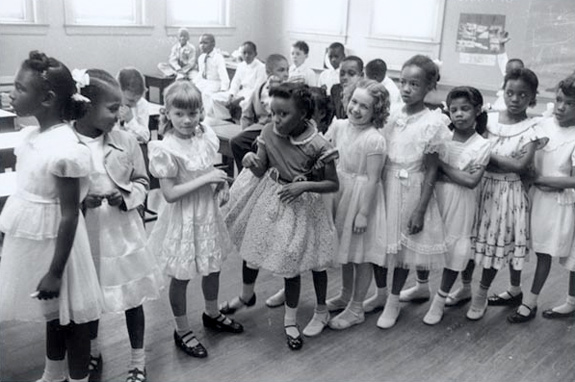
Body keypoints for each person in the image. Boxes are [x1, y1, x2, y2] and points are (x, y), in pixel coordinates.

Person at [0, 51, 102, 382]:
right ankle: (51, 374)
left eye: (19, 88)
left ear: (46, 99)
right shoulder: (32, 137)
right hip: (37, 242)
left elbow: (70, 215)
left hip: (62, 251)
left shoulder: (65, 148)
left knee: (72, 322)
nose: (11, 94)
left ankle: (77, 378)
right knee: (52, 315)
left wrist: (55, 272)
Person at [220, 83, 339, 349]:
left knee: (290, 262)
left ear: (303, 114)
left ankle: (290, 319)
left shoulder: (318, 144)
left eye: (283, 114)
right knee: (253, 247)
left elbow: (333, 184)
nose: (276, 119)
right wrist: (252, 159)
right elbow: (262, 168)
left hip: (300, 205)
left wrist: (304, 185)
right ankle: (246, 295)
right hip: (269, 197)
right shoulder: (267, 132)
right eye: (273, 112)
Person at [74, 69, 164, 381]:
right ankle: (93, 349)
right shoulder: (70, 143)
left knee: (131, 296)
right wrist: (79, 201)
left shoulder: (126, 141)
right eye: (112, 109)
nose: (120, 115)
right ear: (86, 107)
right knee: (91, 296)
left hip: (122, 233)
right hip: (87, 234)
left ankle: (138, 359)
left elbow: (143, 180)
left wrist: (124, 196)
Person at [146, 81, 243, 359]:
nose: (187, 120)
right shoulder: (165, 148)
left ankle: (212, 313)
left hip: (207, 212)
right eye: (179, 114)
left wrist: (221, 185)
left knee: (212, 268)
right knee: (182, 274)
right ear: (168, 113)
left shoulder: (205, 135)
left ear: (201, 111)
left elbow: (210, 170)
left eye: (193, 113)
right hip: (183, 217)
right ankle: (182, 329)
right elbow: (170, 194)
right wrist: (207, 179)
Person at [376, 55, 451, 329]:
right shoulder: (391, 115)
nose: (406, 89)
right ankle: (382, 294)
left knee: (404, 251)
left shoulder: (433, 122)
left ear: (429, 86)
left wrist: (420, 208)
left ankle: (393, 302)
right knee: (384, 247)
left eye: (414, 84)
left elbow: (432, 169)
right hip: (386, 184)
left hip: (411, 188)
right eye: (403, 82)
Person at [466, 68, 546, 321]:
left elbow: (521, 166)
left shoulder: (533, 128)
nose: (514, 99)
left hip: (508, 193)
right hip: (479, 187)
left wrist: (487, 155)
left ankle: (481, 293)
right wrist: (499, 160)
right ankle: (464, 287)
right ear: (503, 91)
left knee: (495, 244)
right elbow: (469, 149)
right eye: (510, 93)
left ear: (532, 98)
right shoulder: (487, 120)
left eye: (522, 95)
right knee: (469, 242)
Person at [422, 87, 492, 325]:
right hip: (436, 197)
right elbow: (427, 168)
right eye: (454, 110)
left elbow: (471, 181)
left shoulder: (482, 144)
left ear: (477, 111)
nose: (459, 114)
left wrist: (440, 165)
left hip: (461, 203)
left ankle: (440, 300)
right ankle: (422, 286)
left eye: (465, 109)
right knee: (427, 241)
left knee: (455, 249)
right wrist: (452, 173)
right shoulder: (441, 136)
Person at [507, 75, 575, 323]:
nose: (560, 107)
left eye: (569, 103)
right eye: (558, 100)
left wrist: (542, 180)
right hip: (532, 197)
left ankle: (531, 302)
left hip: (557, 205)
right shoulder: (543, 125)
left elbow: (573, 180)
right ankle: (515, 289)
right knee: (519, 244)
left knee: (546, 254)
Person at [324, 79, 389, 330]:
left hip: (363, 197)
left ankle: (357, 307)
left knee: (361, 255)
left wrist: (363, 213)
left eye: (365, 106)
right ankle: (345, 294)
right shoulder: (340, 126)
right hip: (342, 190)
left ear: (376, 112)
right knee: (347, 250)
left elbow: (373, 179)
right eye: (354, 102)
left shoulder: (374, 139)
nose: (356, 109)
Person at [229, 54, 289, 171]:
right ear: (268, 72)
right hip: (260, 129)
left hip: (282, 131)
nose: (286, 74)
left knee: (262, 144)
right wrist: (245, 130)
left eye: (287, 70)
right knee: (236, 141)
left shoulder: (290, 91)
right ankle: (246, 174)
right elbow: (247, 115)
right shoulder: (258, 90)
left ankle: (265, 174)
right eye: (281, 70)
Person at [210, 41, 266, 121]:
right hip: (241, 93)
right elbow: (235, 82)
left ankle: (245, 121)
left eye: (250, 53)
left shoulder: (261, 67)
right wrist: (231, 95)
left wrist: (239, 99)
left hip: (252, 96)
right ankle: (226, 118)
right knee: (215, 97)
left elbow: (257, 89)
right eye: (244, 53)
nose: (246, 56)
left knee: (245, 103)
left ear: (255, 54)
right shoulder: (241, 66)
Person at [194, 33, 230, 115]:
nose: (202, 46)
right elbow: (201, 73)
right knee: (193, 91)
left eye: (205, 43)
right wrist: (193, 83)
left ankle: (209, 115)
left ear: (213, 44)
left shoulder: (218, 58)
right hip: (205, 81)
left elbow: (224, 76)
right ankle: (198, 113)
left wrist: (224, 89)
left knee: (206, 94)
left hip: (216, 82)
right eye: (200, 43)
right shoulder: (201, 58)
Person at [116, 67, 151, 144]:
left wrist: (131, 121)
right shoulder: (110, 103)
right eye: (130, 100)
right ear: (118, 90)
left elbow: (146, 137)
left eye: (137, 100)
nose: (134, 105)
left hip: (135, 146)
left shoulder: (142, 104)